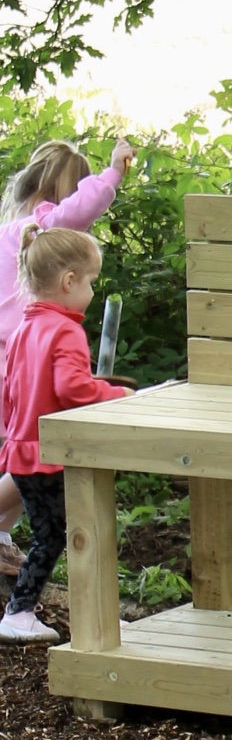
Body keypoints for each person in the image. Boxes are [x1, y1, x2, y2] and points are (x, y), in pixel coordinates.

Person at [0, 137, 133, 568]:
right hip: (23, 360)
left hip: (14, 361)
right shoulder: (35, 229)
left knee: (22, 454)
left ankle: (2, 535)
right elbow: (73, 214)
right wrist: (112, 172)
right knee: (33, 460)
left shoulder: (8, 234)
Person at [0, 227, 131, 644]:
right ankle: (20, 612)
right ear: (69, 281)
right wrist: (118, 394)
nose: (93, 293)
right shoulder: (66, 330)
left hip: (22, 448)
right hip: (51, 453)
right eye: (91, 281)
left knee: (66, 532)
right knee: (63, 535)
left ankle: (94, 613)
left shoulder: (24, 327)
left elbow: (8, 391)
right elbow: (74, 389)